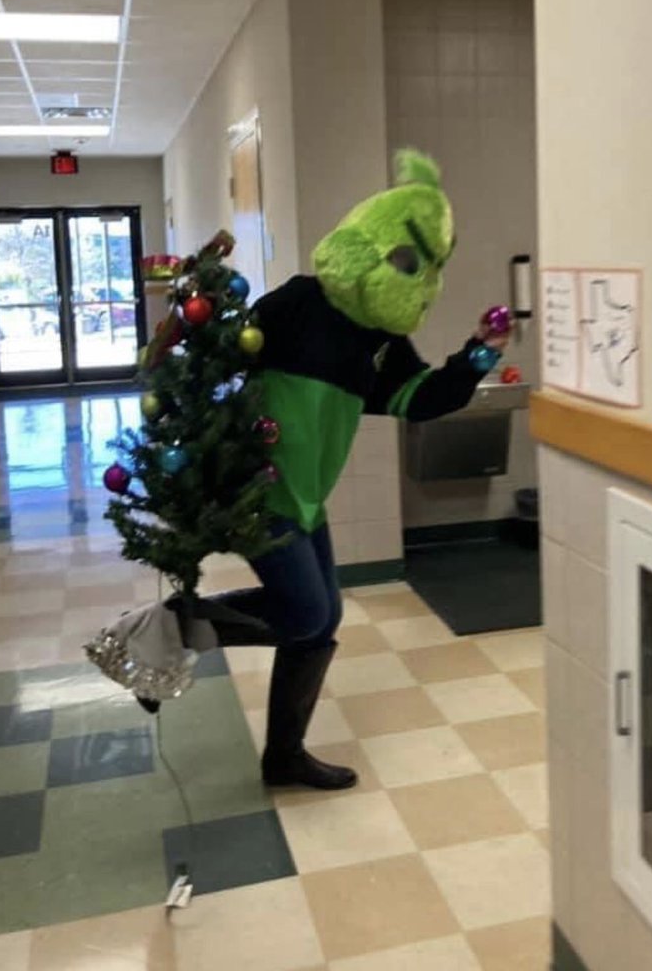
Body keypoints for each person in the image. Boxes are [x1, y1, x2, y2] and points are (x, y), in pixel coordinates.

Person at [202, 149, 510, 791]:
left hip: (305, 497)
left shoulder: (380, 340)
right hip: (256, 489)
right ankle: (175, 627)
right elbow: (220, 359)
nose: (414, 279)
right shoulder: (297, 302)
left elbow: (417, 398)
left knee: (322, 620)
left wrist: (478, 354)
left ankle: (283, 757)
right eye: (405, 259)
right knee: (306, 613)